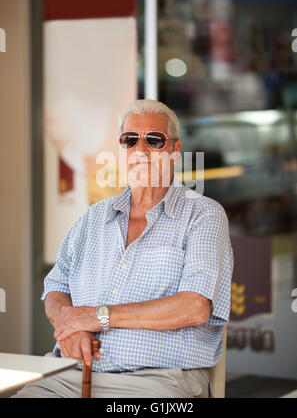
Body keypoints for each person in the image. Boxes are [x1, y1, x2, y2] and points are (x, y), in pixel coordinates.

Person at [12, 99, 234, 398]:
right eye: (130, 140)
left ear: (175, 150)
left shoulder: (203, 215)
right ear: (121, 150)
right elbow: (55, 285)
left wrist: (97, 316)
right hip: (71, 374)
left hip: (157, 381)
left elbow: (195, 307)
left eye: (154, 141)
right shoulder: (93, 217)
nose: (140, 151)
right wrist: (72, 324)